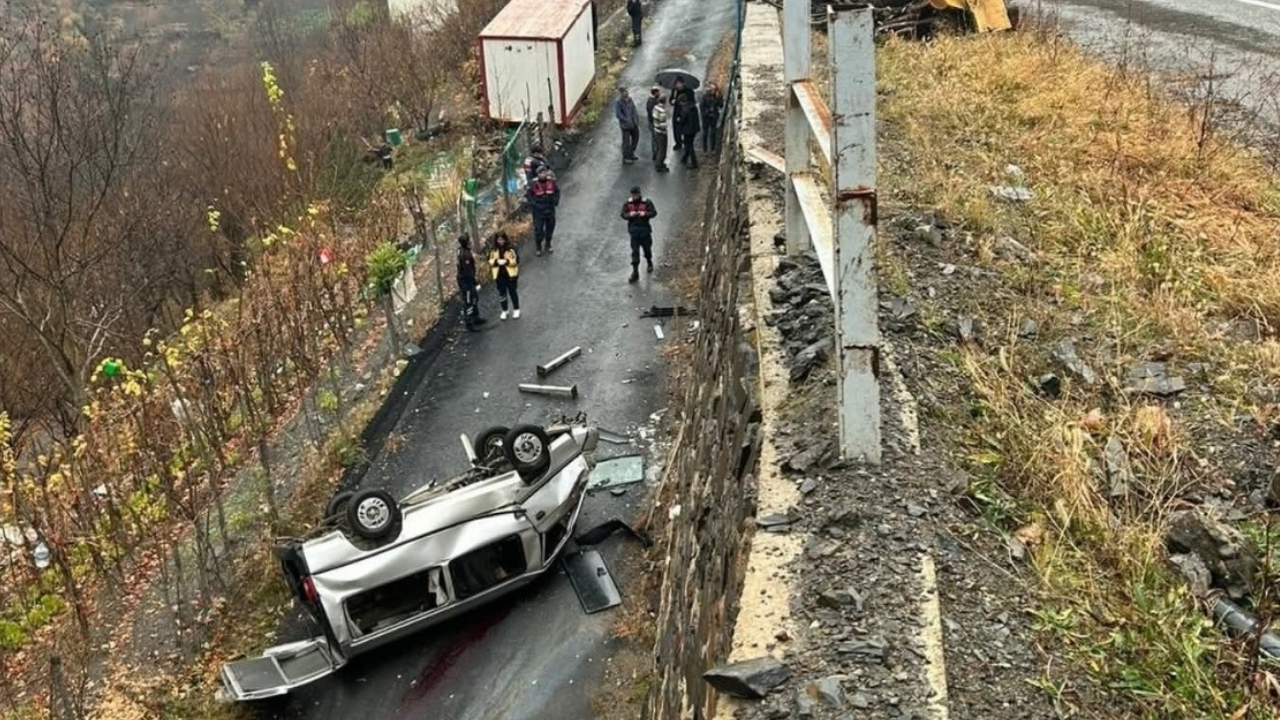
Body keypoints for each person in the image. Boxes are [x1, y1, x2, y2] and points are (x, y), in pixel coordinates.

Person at [620, 185, 657, 283]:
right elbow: (623, 214)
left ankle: (649, 262)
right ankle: (635, 272)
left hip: (645, 231)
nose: (635, 196)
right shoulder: (628, 203)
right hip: (634, 232)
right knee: (635, 252)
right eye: (634, 194)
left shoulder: (647, 202)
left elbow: (653, 212)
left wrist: (645, 214)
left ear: (640, 193)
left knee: (647, 250)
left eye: (637, 194)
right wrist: (629, 215)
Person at [526, 165, 560, 255]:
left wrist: (555, 202)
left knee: (550, 228)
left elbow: (557, 191)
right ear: (537, 174)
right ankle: (538, 247)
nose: (543, 174)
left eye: (544, 172)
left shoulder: (551, 182)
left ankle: (548, 244)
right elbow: (529, 196)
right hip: (538, 211)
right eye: (541, 173)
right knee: (538, 230)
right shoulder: (533, 184)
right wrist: (535, 205)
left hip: (550, 209)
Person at [488, 232, 521, 319]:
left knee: (512, 292)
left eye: (502, 240)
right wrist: (496, 262)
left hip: (511, 275)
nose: (500, 242)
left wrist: (506, 262)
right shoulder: (493, 250)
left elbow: (516, 260)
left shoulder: (511, 249)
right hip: (499, 275)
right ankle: (504, 310)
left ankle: (516, 309)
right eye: (499, 240)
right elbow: (490, 261)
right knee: (502, 294)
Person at [456, 234, 485, 331]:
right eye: (469, 242)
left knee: (474, 298)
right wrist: (475, 282)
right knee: (468, 301)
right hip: (466, 282)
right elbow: (468, 272)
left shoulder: (460, 250)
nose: (471, 243)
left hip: (465, 280)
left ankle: (476, 317)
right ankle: (469, 323)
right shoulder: (465, 256)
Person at [669, 77, 696, 151]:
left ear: (683, 83)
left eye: (679, 84)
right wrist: (672, 101)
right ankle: (678, 142)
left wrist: (685, 103)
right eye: (677, 84)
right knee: (676, 127)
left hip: (685, 111)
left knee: (685, 127)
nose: (678, 86)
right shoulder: (674, 91)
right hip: (677, 110)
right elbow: (670, 100)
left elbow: (692, 102)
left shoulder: (689, 91)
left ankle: (686, 141)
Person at [675, 93, 700, 169]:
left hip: (687, 130)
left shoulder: (685, 109)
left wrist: (679, 120)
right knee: (689, 144)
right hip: (694, 129)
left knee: (689, 145)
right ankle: (684, 158)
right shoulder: (693, 106)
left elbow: (682, 119)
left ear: (681, 102)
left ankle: (694, 163)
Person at [615, 88, 640, 164]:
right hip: (625, 125)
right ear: (621, 94)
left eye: (626, 91)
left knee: (636, 137)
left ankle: (631, 153)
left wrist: (636, 118)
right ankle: (625, 157)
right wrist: (626, 119)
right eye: (624, 92)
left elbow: (634, 109)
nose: (626, 93)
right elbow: (618, 114)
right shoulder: (619, 102)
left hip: (633, 123)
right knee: (626, 142)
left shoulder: (630, 100)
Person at [699, 82, 724, 154]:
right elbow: (702, 107)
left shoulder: (718, 96)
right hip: (706, 117)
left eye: (714, 89)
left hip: (714, 117)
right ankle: (705, 149)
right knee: (705, 133)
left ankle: (713, 148)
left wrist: (718, 98)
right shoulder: (705, 96)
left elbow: (721, 105)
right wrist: (707, 112)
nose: (713, 91)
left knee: (713, 133)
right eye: (712, 89)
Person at [651, 95, 670, 172]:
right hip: (661, 132)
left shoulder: (655, 108)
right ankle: (659, 165)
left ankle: (659, 163)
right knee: (662, 149)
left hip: (656, 130)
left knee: (659, 148)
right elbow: (663, 124)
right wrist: (666, 126)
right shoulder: (662, 111)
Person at [645, 86, 662, 160]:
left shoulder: (651, 101)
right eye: (658, 92)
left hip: (652, 122)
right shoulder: (652, 102)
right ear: (655, 92)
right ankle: (656, 153)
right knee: (655, 138)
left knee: (654, 138)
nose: (659, 93)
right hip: (654, 122)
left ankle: (656, 152)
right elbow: (653, 113)